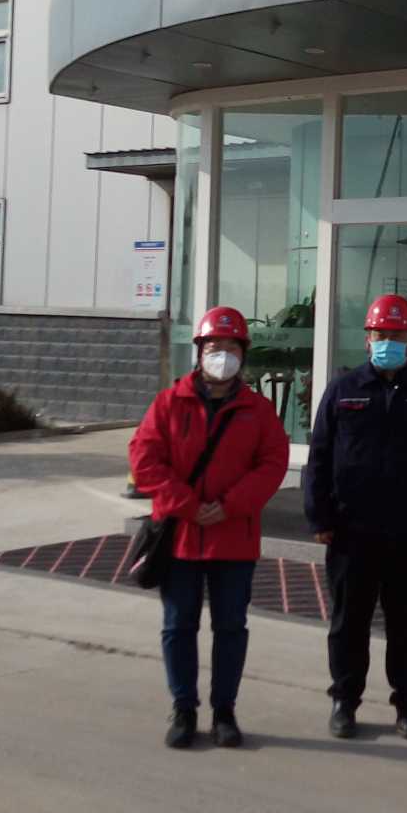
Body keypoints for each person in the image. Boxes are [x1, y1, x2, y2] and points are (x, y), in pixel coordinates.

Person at [129, 305, 290, 750]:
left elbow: (273, 463)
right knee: (178, 626)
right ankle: (183, 708)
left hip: (234, 539)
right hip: (180, 539)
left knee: (231, 627)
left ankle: (224, 712)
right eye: (215, 347)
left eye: (232, 348)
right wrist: (187, 506)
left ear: (243, 355)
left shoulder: (258, 411)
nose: (223, 355)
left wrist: (230, 506)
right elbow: (144, 459)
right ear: (199, 352)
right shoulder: (169, 403)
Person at [302, 294, 407, 740]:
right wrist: (319, 518)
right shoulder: (343, 389)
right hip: (350, 531)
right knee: (348, 622)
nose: (388, 341)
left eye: (397, 334)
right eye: (381, 334)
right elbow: (319, 457)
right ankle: (344, 701)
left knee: (406, 624)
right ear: (367, 338)